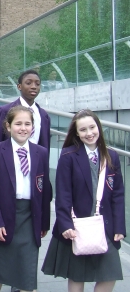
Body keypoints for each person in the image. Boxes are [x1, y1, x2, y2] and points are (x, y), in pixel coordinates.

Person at [42, 109, 126, 292]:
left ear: (99, 127)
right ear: (77, 133)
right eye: (83, 130)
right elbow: (63, 194)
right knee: (77, 275)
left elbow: (118, 194)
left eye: (92, 127)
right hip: (77, 224)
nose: (89, 133)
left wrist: (119, 226)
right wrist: (65, 224)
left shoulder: (111, 156)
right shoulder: (68, 156)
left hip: (106, 225)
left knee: (109, 275)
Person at [0, 105, 51, 292]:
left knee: (26, 266)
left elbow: (45, 189)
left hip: (29, 216)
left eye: (27, 124)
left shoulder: (41, 152)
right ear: (8, 126)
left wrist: (44, 222)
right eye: (18, 124)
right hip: (4, 213)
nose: (23, 128)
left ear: (33, 127)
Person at [0, 70, 51, 153]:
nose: (34, 86)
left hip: (34, 163)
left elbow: (45, 146)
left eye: (37, 84)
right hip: (9, 162)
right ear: (19, 86)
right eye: (28, 83)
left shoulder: (44, 115)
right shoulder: (5, 111)